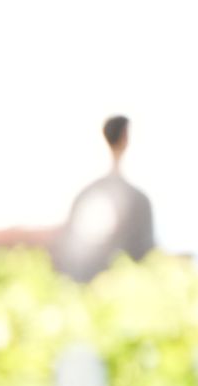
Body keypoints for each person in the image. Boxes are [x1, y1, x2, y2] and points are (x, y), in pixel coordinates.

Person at [52, 115, 155, 283]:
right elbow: (144, 251)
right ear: (125, 138)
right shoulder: (136, 199)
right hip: (118, 287)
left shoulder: (86, 193)